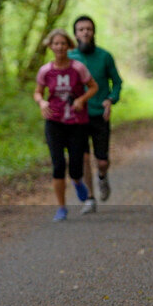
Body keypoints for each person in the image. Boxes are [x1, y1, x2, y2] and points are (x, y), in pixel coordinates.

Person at [35, 29, 98, 222]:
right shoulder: (45, 70)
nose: (60, 47)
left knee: (76, 165)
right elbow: (38, 92)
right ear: (51, 46)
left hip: (77, 122)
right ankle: (61, 207)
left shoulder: (78, 68)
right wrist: (42, 102)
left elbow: (94, 87)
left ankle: (78, 180)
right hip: (54, 122)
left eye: (63, 43)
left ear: (69, 45)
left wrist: (81, 99)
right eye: (56, 43)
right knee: (58, 164)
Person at [68, 15, 122, 215]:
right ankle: (90, 198)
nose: (85, 32)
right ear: (75, 33)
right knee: (83, 158)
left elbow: (117, 82)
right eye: (81, 29)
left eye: (88, 29)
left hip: (100, 114)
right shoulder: (70, 57)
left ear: (93, 32)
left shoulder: (104, 56)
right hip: (78, 116)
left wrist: (111, 99)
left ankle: (102, 176)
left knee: (102, 161)